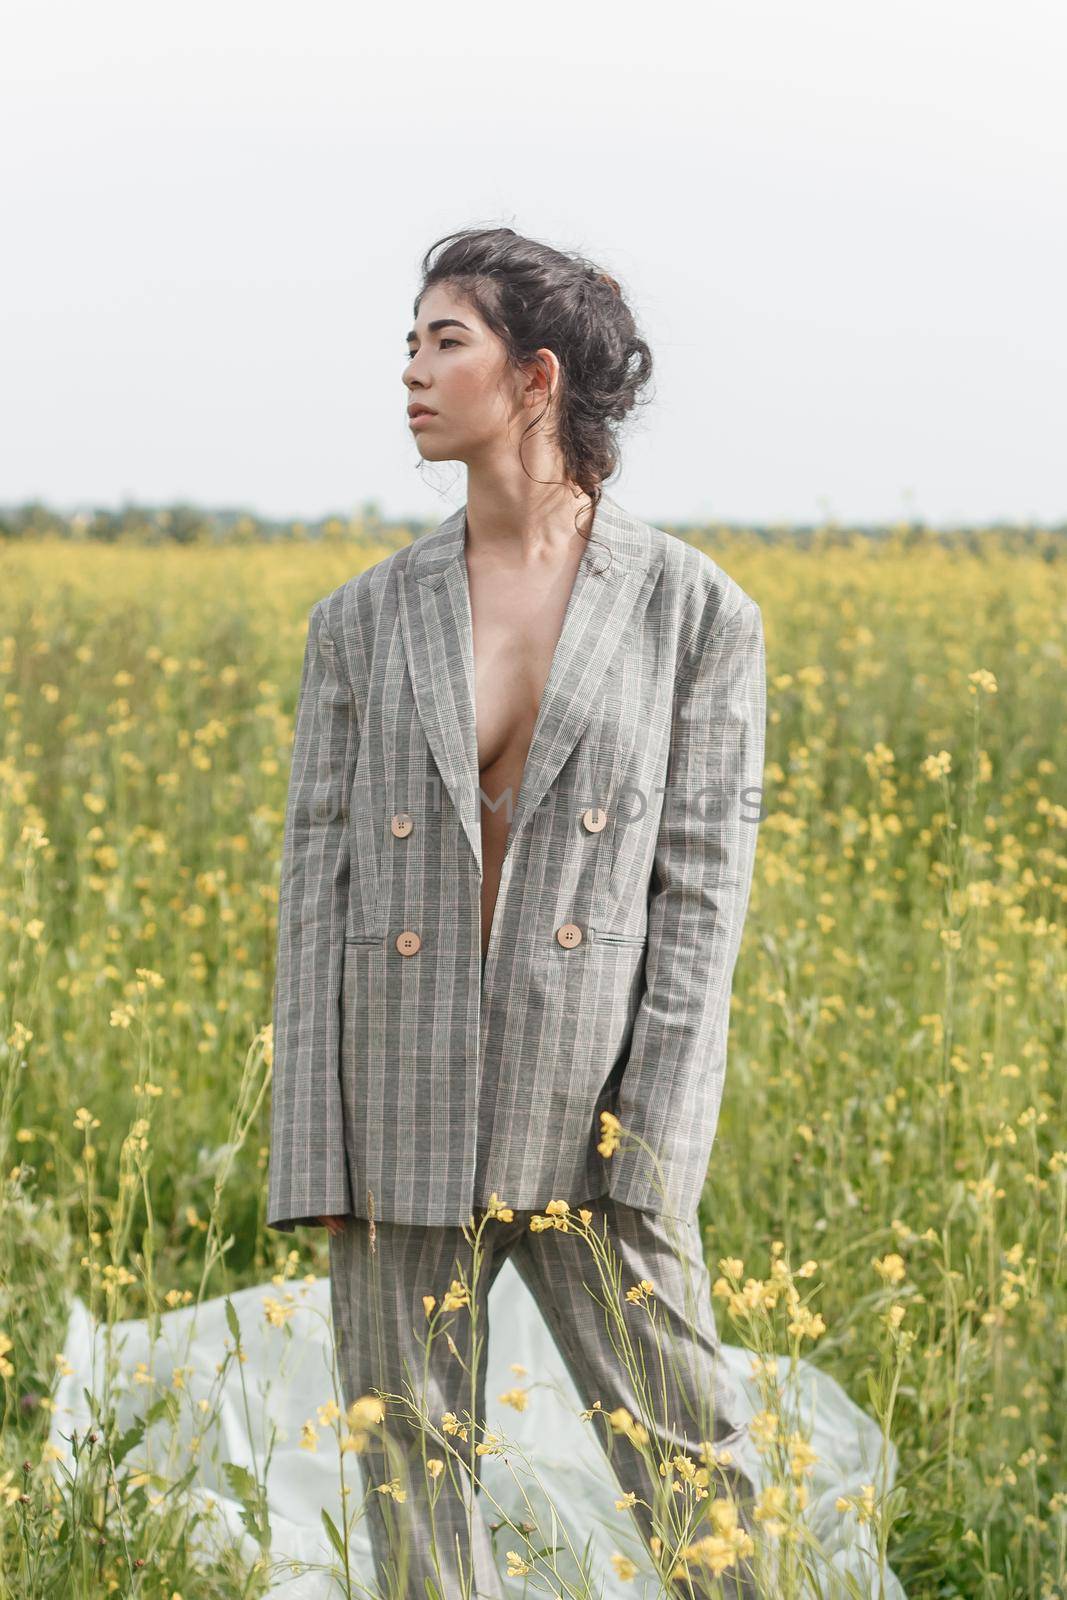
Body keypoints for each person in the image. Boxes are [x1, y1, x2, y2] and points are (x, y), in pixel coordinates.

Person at [267, 225, 768, 1598]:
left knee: (697, 1470)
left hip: (592, 1106)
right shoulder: (359, 621)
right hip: (396, 1103)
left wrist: (655, 1136)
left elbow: (701, 894)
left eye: (447, 342)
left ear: (536, 379)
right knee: (409, 1485)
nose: (413, 374)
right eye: (409, 345)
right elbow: (315, 894)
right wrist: (317, 1152)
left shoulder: (695, 612)